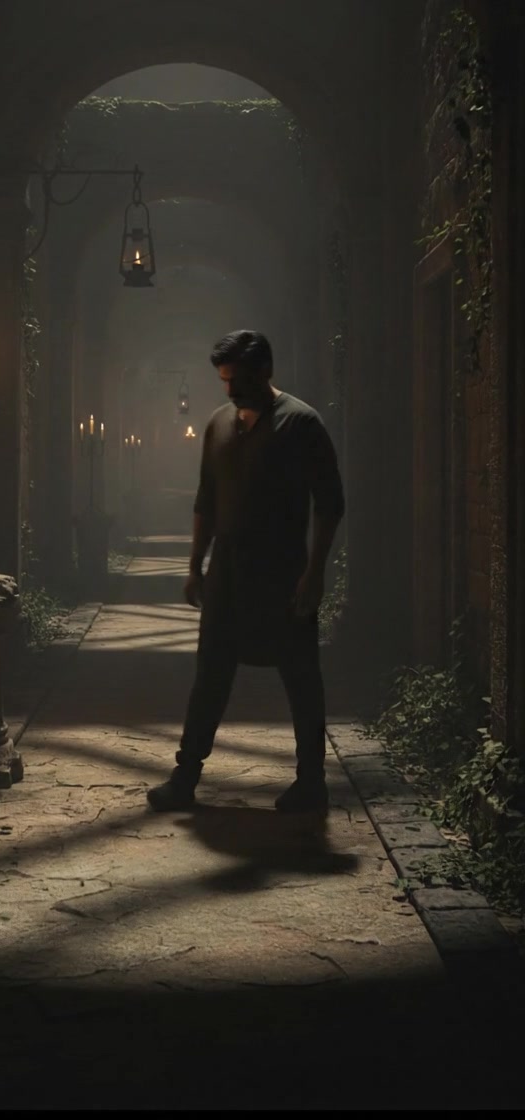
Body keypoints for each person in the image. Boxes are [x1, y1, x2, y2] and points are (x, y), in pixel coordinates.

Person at [147, 329, 345, 816]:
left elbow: (330, 503)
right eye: (224, 380)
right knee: (210, 675)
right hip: (227, 573)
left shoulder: (300, 423)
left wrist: (315, 572)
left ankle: (311, 781)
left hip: (283, 571)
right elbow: (206, 500)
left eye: (238, 380)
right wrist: (195, 564)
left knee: (300, 676)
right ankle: (185, 776)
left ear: (265, 371)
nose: (231, 390)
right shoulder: (218, 424)